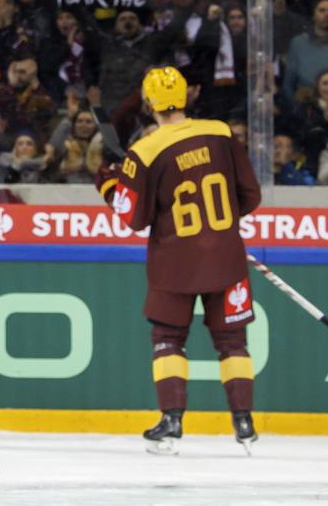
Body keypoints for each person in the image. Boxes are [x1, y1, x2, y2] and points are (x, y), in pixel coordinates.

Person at [96, 67, 262, 454]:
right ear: (186, 97)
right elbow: (250, 195)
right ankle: (244, 422)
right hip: (226, 256)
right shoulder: (221, 133)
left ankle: (171, 420)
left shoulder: (145, 150)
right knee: (233, 341)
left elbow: (132, 218)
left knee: (169, 339)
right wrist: (216, 228)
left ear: (150, 102)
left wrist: (108, 183)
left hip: (174, 262)